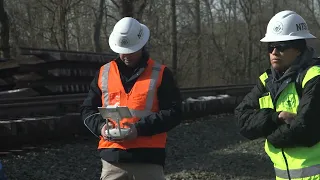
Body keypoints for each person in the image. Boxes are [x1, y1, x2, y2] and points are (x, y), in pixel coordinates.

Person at [80, 17, 182, 180]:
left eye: (131, 50)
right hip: (112, 159)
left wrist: (139, 129)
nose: (126, 55)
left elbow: (175, 112)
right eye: (122, 50)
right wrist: (101, 128)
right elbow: (87, 110)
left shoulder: (161, 73)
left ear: (142, 45)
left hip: (148, 159)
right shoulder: (104, 73)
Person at [235, 10, 320, 180]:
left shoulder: (314, 77)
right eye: (270, 47)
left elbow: (305, 130)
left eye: (280, 46)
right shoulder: (266, 81)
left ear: (298, 48)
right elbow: (241, 119)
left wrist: (267, 134)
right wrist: (276, 118)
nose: (274, 52)